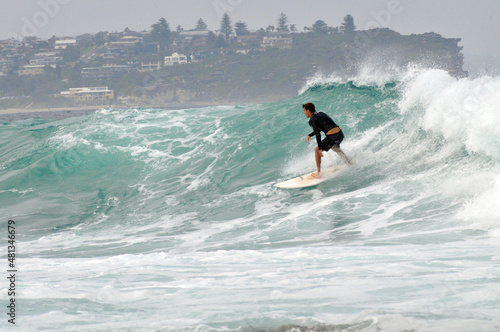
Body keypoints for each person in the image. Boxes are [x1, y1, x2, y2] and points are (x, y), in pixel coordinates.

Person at [303, 102, 352, 178]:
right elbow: (321, 128)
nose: (304, 113)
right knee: (335, 148)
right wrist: (310, 135)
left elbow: (318, 134)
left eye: (304, 110)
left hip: (332, 136)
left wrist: (319, 149)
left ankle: (318, 173)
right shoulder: (321, 113)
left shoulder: (312, 120)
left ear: (308, 110)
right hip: (340, 134)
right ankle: (349, 162)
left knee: (316, 150)